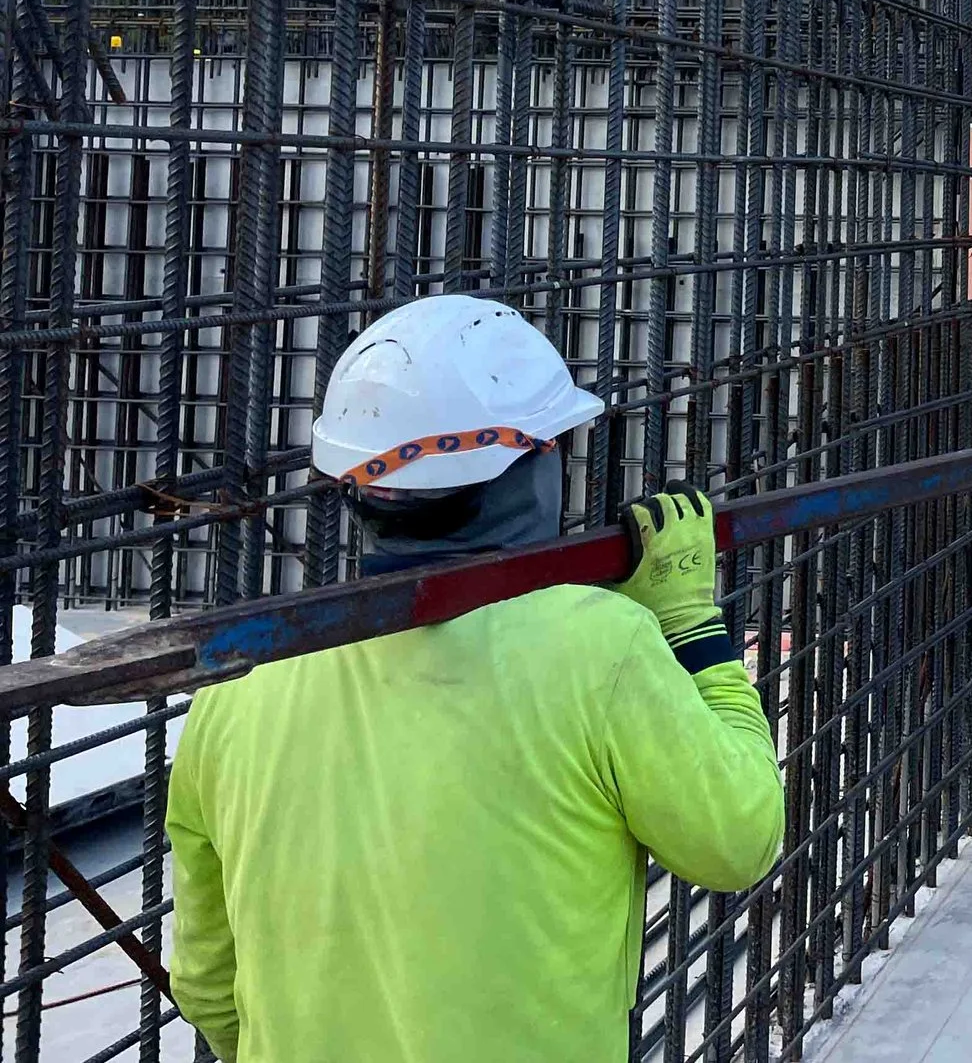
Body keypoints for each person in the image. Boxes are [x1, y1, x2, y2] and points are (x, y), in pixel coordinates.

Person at [166, 295, 784, 1063]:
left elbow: (206, 985)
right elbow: (741, 839)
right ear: (527, 468)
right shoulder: (598, 647)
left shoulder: (241, 675)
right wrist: (690, 630)